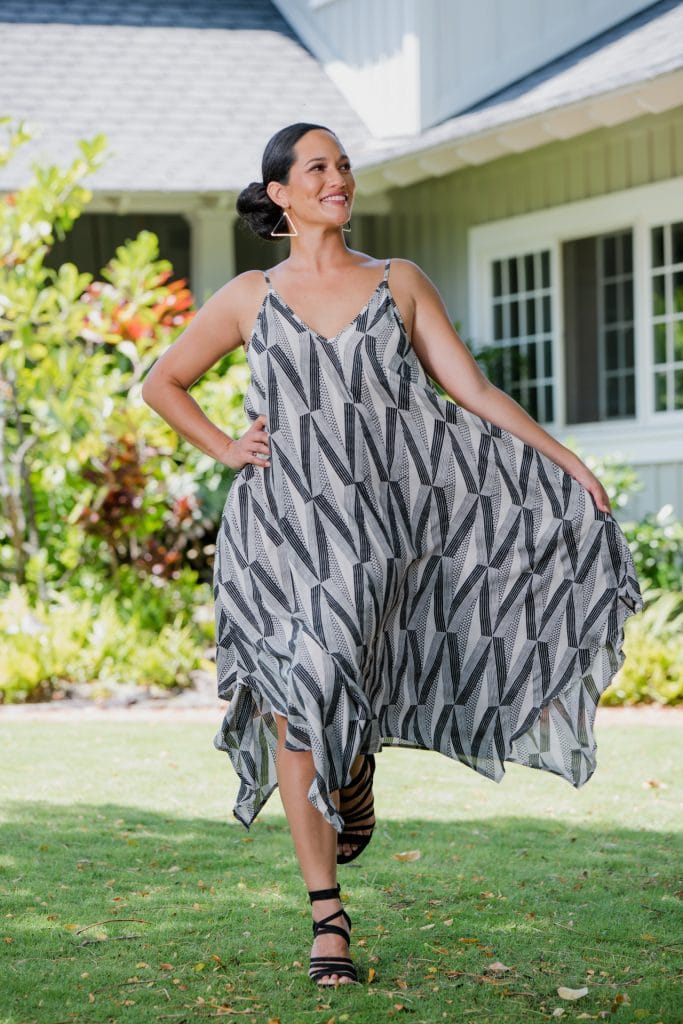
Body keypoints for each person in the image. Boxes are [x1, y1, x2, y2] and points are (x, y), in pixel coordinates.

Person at [141, 122, 642, 988]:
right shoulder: (250, 295)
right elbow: (160, 381)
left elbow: (471, 389)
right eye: (318, 168)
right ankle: (326, 917)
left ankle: (356, 763)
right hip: (278, 536)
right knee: (300, 698)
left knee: (338, 681)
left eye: (343, 166)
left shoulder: (397, 282)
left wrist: (561, 459)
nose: (338, 179)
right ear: (279, 195)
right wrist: (226, 448)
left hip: (378, 532)